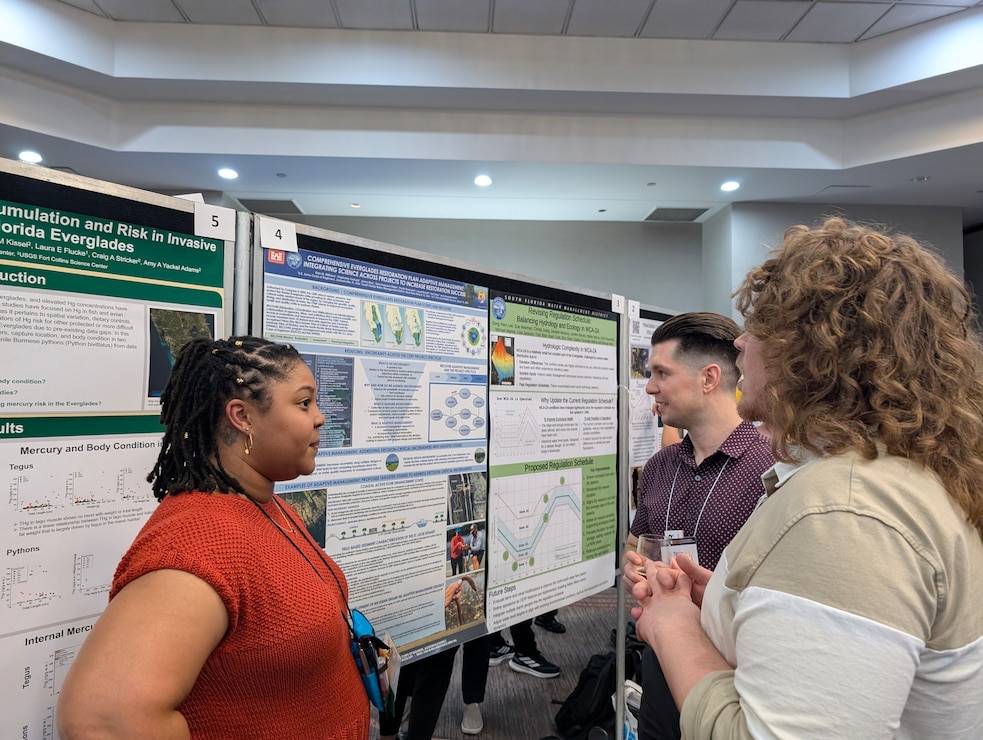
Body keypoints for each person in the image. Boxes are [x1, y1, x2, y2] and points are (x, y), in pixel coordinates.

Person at [627, 218, 983, 738]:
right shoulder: (882, 477)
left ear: (812, 352)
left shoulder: (848, 511)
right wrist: (732, 606)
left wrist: (674, 626)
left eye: (760, 329)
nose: (741, 345)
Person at [56, 336, 370, 739]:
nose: (320, 417)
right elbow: (102, 720)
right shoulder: (197, 544)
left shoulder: (266, 506)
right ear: (242, 417)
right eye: (304, 403)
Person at [626, 311, 773, 739]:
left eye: (660, 373)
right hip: (661, 660)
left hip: (738, 674)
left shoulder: (772, 468)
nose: (650, 386)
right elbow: (636, 543)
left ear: (708, 378)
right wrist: (636, 565)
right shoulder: (659, 466)